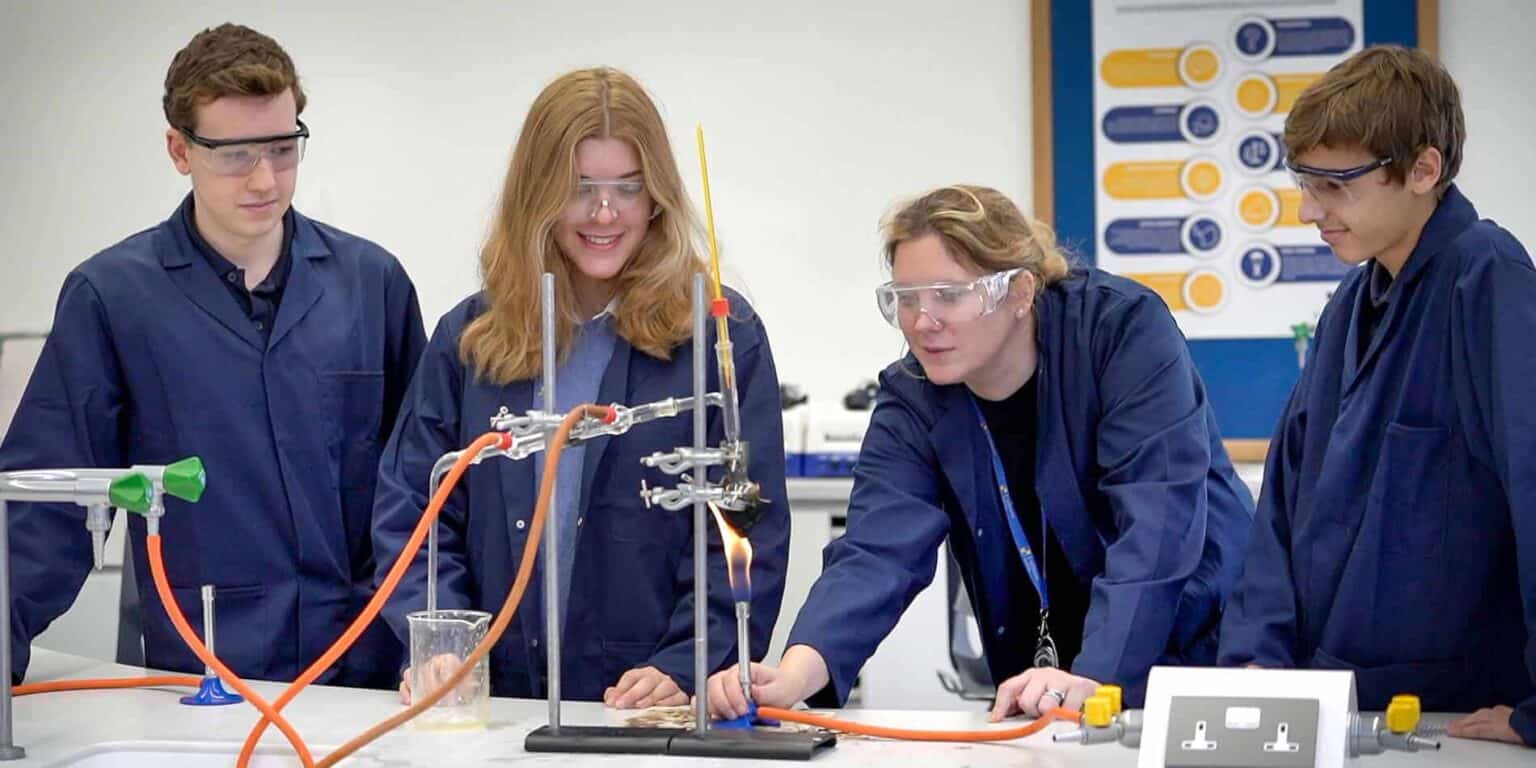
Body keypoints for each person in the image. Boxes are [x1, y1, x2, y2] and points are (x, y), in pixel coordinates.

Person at [707, 184, 1253, 720]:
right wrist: (796, 672)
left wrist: (1096, 676)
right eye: (906, 299)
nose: (923, 322)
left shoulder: (1120, 331)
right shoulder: (914, 395)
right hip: (1046, 683)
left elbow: (1157, 524)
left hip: (1191, 651)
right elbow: (876, 551)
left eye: (948, 295)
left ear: (1018, 293)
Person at [1, 23, 425, 687]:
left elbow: (423, 489)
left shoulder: (373, 286)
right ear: (180, 149)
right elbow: (46, 506)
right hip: (200, 674)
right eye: (235, 155)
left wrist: (428, 646)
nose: (264, 179)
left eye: (282, 149)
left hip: (363, 671)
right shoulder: (113, 298)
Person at [373, 67, 789, 709]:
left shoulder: (717, 338)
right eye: (580, 189)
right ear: (536, 194)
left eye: (629, 187)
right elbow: (415, 511)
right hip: (495, 699)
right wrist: (441, 643)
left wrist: (688, 661)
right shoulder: (472, 338)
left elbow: (746, 526)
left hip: (647, 706)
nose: (605, 212)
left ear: (657, 197)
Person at [1217, 45, 1535, 747]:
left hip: (1454, 716)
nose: (1309, 210)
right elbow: (1283, 502)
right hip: (1334, 697)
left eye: (1335, 186)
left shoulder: (1487, 276)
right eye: (1305, 183)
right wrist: (1257, 656)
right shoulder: (1350, 303)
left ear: (1423, 170)